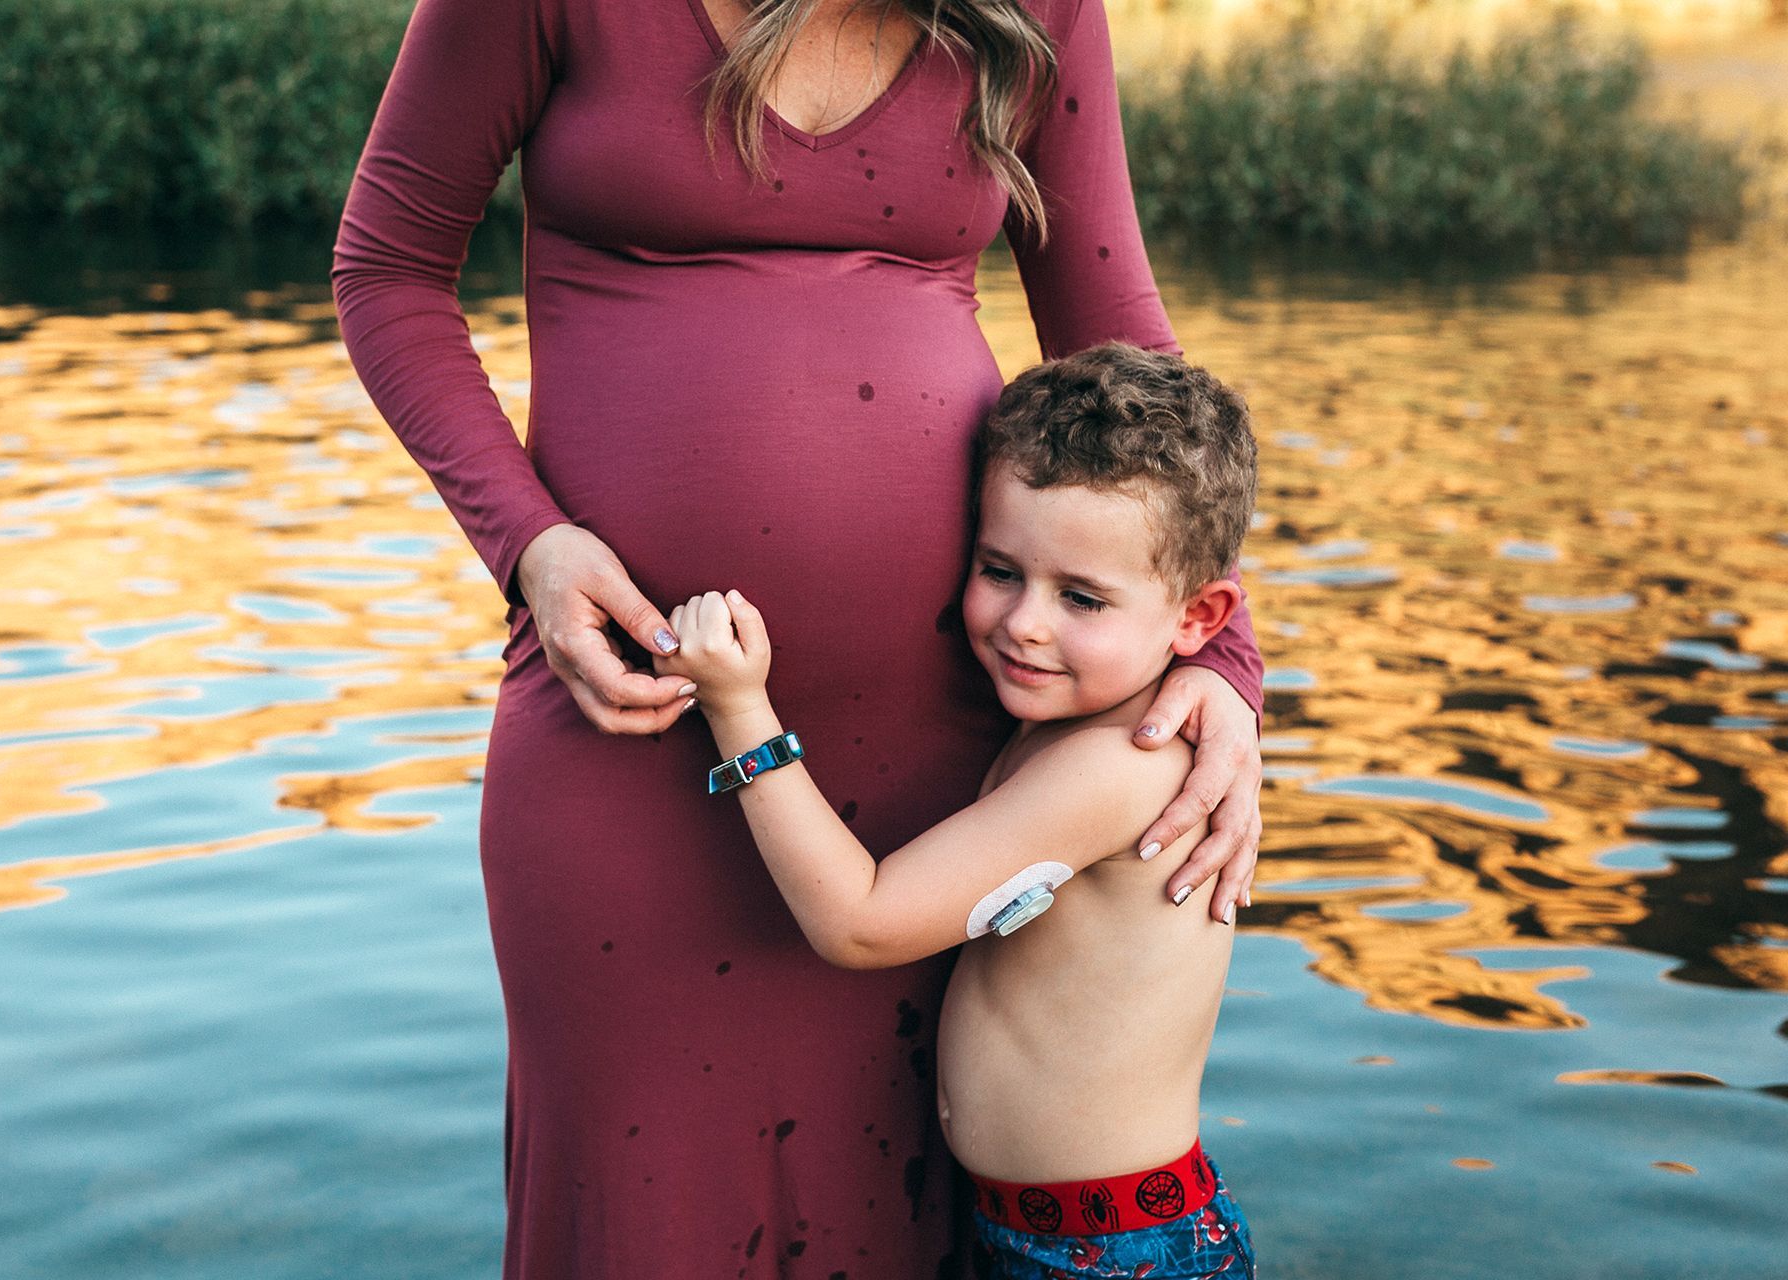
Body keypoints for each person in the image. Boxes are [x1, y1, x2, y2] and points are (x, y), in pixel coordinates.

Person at [330, 0, 1267, 1272]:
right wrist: (530, 546)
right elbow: (386, 268)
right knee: (638, 1215)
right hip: (632, 729)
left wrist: (1218, 661)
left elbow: (1119, 333)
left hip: (946, 767)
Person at [660, 342, 1258, 1279]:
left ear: (1198, 618)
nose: (1025, 622)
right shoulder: (1073, 719)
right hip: (1047, 1237)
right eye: (1000, 569)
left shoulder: (1122, 764)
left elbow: (860, 924)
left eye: (1083, 597)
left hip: (1115, 1255)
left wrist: (739, 708)